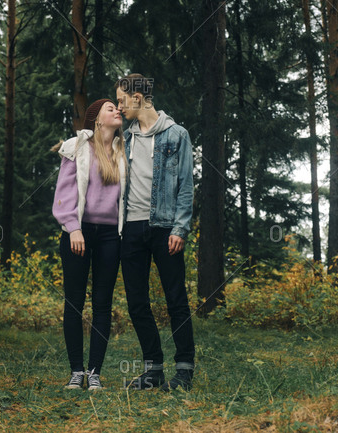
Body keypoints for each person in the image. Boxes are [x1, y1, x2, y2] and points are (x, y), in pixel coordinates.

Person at [115, 74, 196, 391]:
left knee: (176, 300)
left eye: (122, 100)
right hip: (131, 230)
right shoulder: (125, 139)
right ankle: (153, 370)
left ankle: (184, 371)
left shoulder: (177, 135)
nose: (119, 107)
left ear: (137, 98)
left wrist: (180, 227)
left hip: (165, 228)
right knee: (137, 303)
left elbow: (186, 186)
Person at [52, 99, 126, 390]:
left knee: (102, 304)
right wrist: (73, 228)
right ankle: (76, 371)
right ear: (97, 119)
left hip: (110, 235)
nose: (117, 110)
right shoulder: (77, 147)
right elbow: (63, 193)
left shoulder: (123, 151)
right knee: (74, 302)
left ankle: (94, 372)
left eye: (117, 108)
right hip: (78, 233)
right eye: (111, 108)